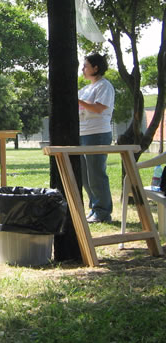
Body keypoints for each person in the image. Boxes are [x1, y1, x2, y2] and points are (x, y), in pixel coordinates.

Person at [78, 53, 114, 223]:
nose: (83, 69)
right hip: (83, 134)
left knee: (96, 174)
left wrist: (78, 101)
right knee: (85, 175)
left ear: (96, 68)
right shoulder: (85, 89)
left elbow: (99, 108)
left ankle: (103, 211)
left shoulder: (104, 86)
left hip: (97, 134)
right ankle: (94, 208)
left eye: (85, 65)